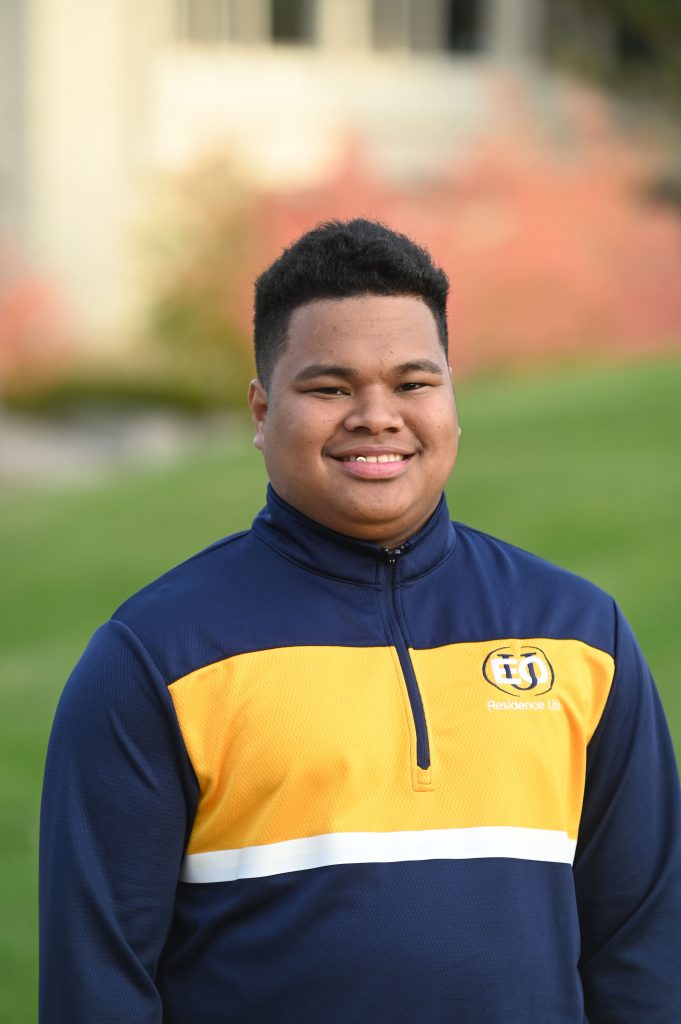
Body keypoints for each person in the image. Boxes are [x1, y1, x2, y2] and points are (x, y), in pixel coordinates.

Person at [40, 219, 681, 1023]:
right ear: (261, 410)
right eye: (330, 388)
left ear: (450, 399)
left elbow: (642, 947)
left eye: (412, 383)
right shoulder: (156, 657)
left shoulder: (580, 633)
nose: (377, 416)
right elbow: (96, 981)